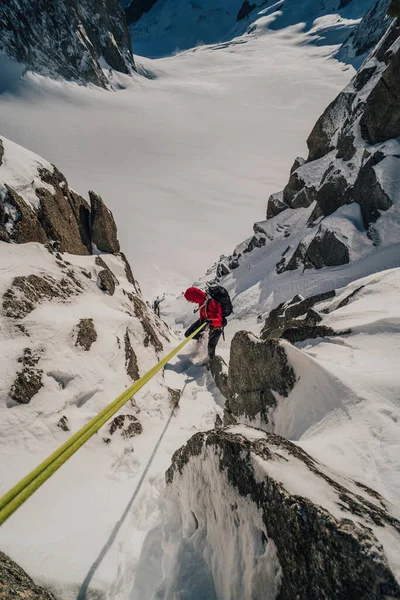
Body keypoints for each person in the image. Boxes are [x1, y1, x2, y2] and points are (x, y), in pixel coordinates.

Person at [183, 287, 224, 363]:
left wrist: (211, 321)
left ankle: (211, 364)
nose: (192, 302)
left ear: (195, 297)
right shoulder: (202, 301)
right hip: (205, 323)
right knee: (188, 334)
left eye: (191, 300)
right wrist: (203, 321)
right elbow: (203, 314)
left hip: (216, 327)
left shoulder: (212, 303)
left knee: (211, 348)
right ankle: (202, 340)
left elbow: (220, 320)